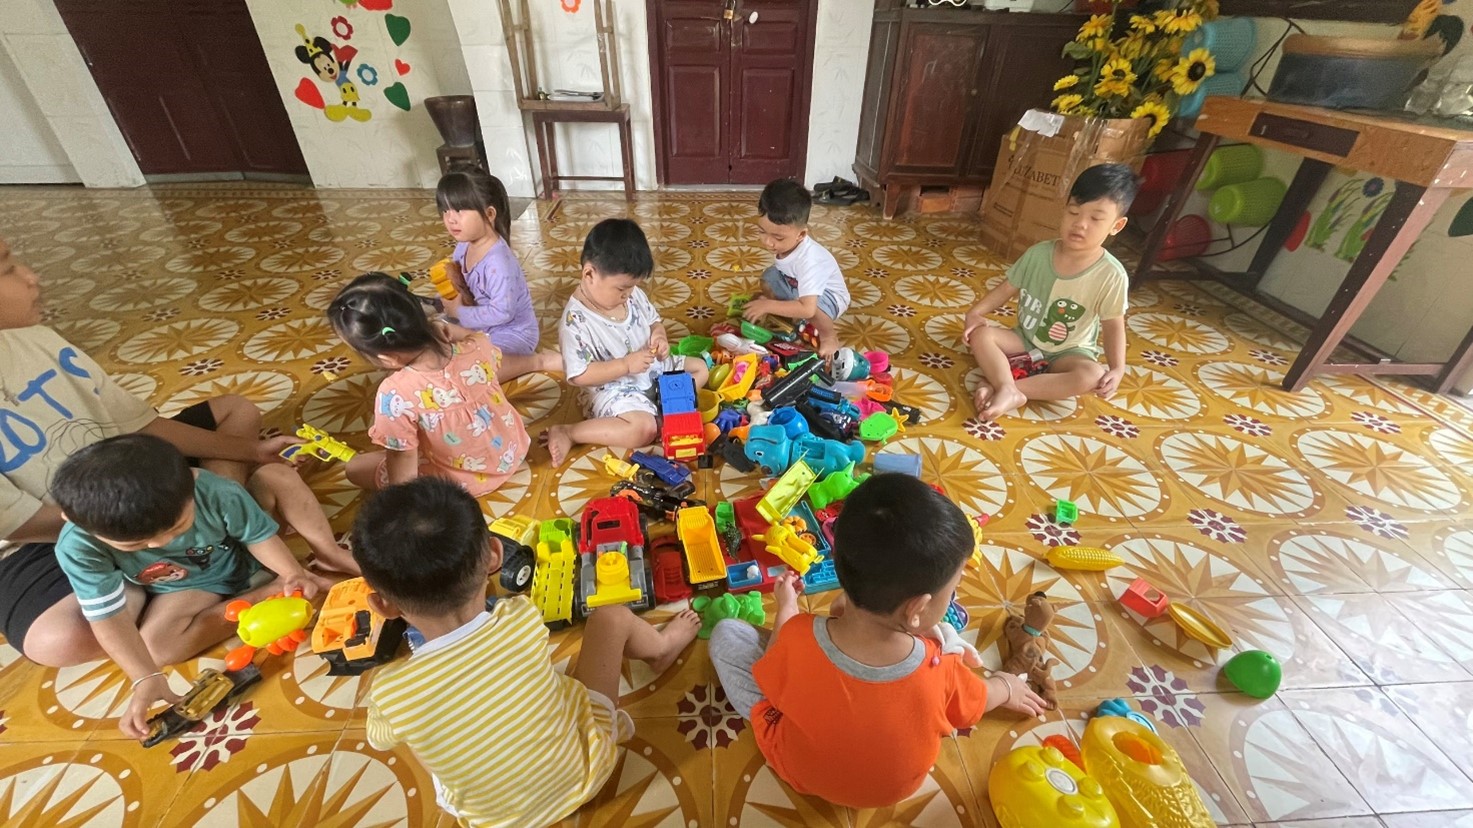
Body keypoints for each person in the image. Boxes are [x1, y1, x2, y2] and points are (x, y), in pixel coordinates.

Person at [0, 236, 351, 669]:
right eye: (6, 268)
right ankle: (203, 554)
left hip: (144, 477)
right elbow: (23, 524)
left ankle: (205, 536)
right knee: (61, 639)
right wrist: (144, 525)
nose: (31, 277)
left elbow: (139, 427)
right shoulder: (90, 533)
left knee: (236, 412)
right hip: (64, 531)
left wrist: (254, 452)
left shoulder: (33, 337)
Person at [356, 477, 701, 827]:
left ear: (382, 604)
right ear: (494, 555)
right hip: (588, 770)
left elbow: (380, 739)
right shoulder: (520, 616)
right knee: (610, 617)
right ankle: (662, 648)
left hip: (499, 821)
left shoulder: (388, 691)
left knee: (421, 728)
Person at [708, 473, 1047, 809]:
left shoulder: (799, 633)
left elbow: (775, 666)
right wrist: (1007, 686)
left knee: (727, 635)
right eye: (952, 588)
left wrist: (787, 606)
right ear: (917, 609)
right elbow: (981, 700)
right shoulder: (939, 666)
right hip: (893, 791)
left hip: (800, 771)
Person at [48, 434, 329, 739]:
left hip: (243, 554)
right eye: (137, 544)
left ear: (190, 483)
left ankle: (278, 581)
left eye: (178, 527)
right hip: (186, 586)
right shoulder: (77, 547)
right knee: (157, 648)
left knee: (273, 483)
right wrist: (144, 677)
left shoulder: (213, 489)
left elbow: (256, 537)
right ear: (72, 519)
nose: (161, 543)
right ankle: (264, 592)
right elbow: (106, 615)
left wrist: (290, 573)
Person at [328, 272, 530, 497]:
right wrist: (448, 328)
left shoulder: (395, 394)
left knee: (355, 467)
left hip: (457, 487)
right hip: (510, 454)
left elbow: (403, 461)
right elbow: (478, 336)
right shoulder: (476, 347)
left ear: (387, 358)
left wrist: (405, 504)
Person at [962, 163, 1137, 421]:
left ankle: (1007, 388)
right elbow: (1007, 288)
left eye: (1096, 218)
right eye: (1073, 212)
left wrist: (1118, 368)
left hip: (1069, 353)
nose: (1080, 224)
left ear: (1117, 225)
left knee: (1091, 376)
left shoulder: (1111, 275)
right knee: (981, 336)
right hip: (1024, 341)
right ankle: (1007, 388)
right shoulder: (1039, 254)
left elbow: (1113, 326)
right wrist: (975, 313)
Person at [545, 219, 707, 467]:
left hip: (652, 371)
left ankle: (664, 406)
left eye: (632, 288)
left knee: (700, 368)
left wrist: (659, 336)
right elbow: (579, 376)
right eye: (621, 289)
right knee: (642, 430)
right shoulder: (575, 323)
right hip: (614, 389)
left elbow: (654, 322)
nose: (628, 295)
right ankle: (570, 432)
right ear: (589, 274)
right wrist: (625, 365)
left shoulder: (631, 294)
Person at [434, 169, 561, 380]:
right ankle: (467, 344)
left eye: (459, 211)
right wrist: (444, 303)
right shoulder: (463, 246)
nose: (451, 219)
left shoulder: (499, 262)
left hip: (512, 333)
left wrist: (459, 313)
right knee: (431, 334)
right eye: (445, 211)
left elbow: (503, 313)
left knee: (475, 369)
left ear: (490, 214)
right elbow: (460, 287)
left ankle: (537, 361)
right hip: (476, 326)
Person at [743, 178, 852, 359]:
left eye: (778, 238)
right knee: (768, 278)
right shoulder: (787, 245)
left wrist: (769, 305)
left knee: (810, 310)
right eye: (762, 232)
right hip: (798, 286)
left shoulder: (810, 260)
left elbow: (809, 309)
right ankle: (792, 315)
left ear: (801, 235)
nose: (768, 242)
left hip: (829, 298)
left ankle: (828, 336)